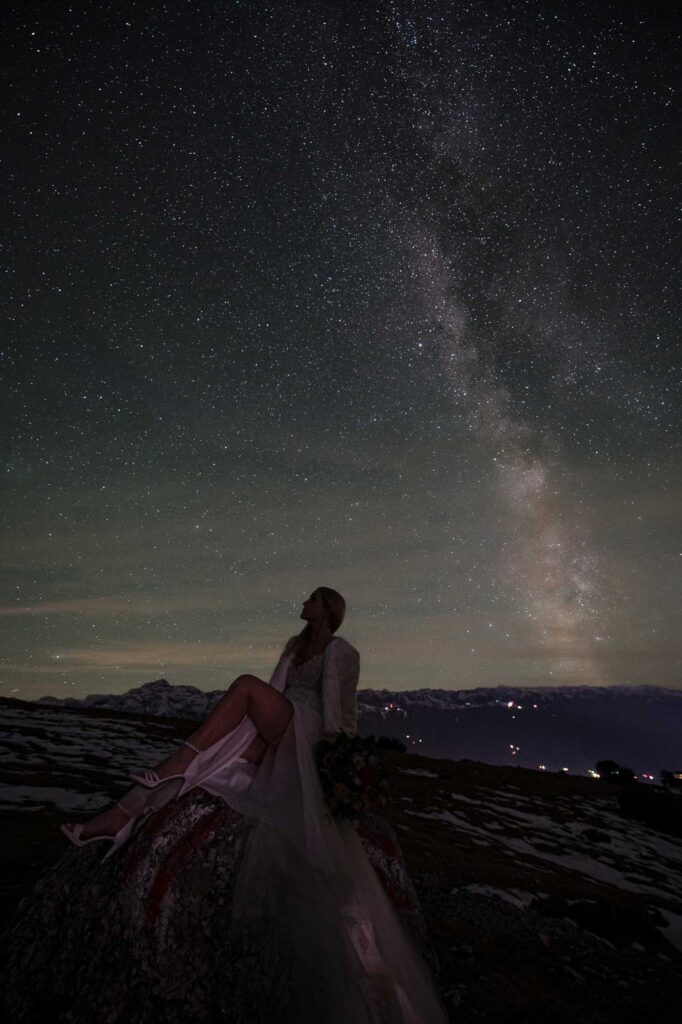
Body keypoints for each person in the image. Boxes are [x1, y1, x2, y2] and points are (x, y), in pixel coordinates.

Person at [59, 587, 449, 1023]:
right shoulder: (294, 645)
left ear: (327, 608)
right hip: (277, 725)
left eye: (312, 599)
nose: (304, 602)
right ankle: (120, 817)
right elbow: (274, 691)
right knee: (214, 761)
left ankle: (174, 763)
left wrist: (339, 764)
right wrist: (246, 729)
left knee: (244, 687)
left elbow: (344, 711)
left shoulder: (342, 651)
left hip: (309, 730)